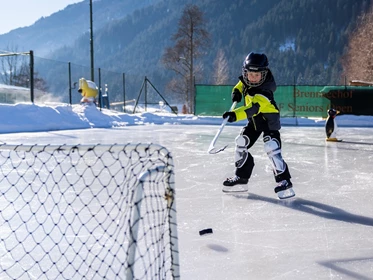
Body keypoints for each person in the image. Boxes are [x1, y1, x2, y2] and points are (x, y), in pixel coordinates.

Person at [222, 52, 295, 199]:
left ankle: (284, 181)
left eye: (257, 75)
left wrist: (235, 115)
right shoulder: (246, 80)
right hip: (255, 121)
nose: (253, 78)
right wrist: (236, 92)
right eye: (250, 74)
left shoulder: (265, 90)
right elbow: (240, 84)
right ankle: (241, 178)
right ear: (245, 72)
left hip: (269, 121)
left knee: (272, 147)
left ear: (264, 74)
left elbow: (252, 109)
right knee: (241, 142)